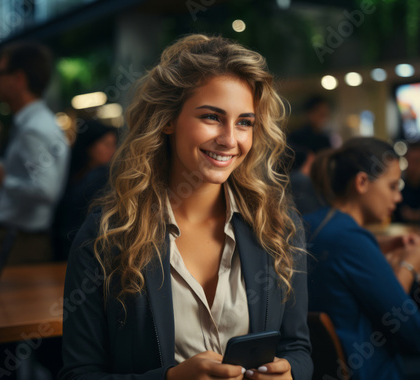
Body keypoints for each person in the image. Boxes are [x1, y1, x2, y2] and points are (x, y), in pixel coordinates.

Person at [60, 34, 313, 380]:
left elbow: (297, 348)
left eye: (244, 122)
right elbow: (79, 374)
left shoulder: (278, 226)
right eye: (211, 117)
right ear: (167, 119)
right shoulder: (107, 236)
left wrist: (290, 373)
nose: (229, 139)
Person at [304, 137, 420, 380]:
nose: (398, 198)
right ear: (362, 182)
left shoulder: (311, 223)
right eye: (393, 186)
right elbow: (414, 333)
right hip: (369, 369)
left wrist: (375, 248)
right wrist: (409, 265)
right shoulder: (351, 240)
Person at [0, 41, 70, 275]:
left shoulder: (34, 128)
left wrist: (3, 180)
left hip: (18, 243)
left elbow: (45, 191)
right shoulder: (34, 123)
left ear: (18, 79)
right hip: (17, 240)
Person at [53, 119, 117, 260]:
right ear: (90, 145)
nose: (112, 151)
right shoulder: (90, 176)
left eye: (113, 145)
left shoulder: (103, 177)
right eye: (106, 144)